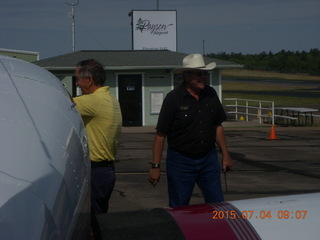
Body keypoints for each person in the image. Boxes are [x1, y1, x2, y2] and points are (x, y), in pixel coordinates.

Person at [148, 54, 232, 207]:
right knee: (179, 206)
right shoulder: (173, 99)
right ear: (186, 76)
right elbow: (160, 135)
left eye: (205, 73)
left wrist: (225, 155)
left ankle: (218, 230)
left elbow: (217, 126)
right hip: (181, 162)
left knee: (218, 204)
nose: (203, 77)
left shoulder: (211, 94)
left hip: (208, 159)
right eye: (198, 74)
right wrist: (155, 166)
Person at [73, 59, 122, 239]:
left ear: (89, 80)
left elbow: (62, 104)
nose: (77, 83)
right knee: (98, 220)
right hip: (105, 170)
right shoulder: (109, 99)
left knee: (93, 226)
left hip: (96, 171)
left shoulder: (94, 101)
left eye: (78, 79)